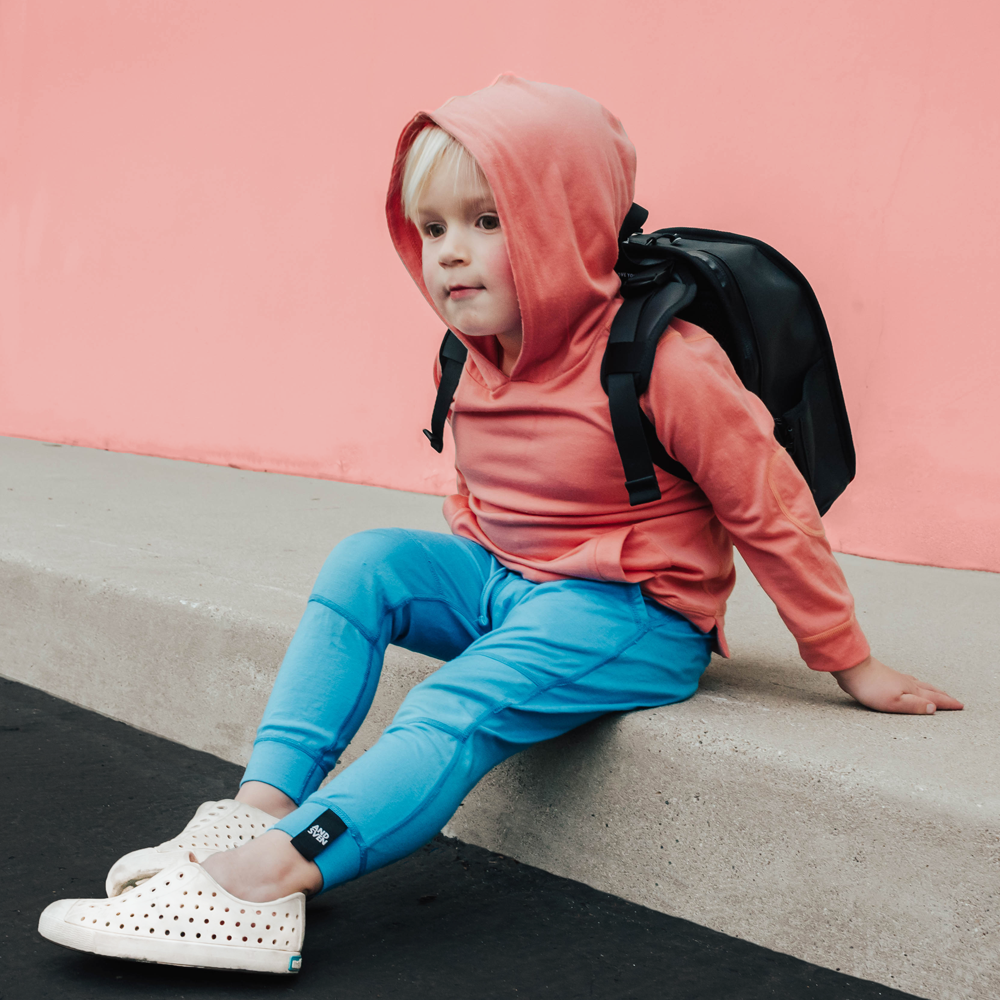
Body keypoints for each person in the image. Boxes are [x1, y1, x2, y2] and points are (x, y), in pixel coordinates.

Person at [37, 74, 962, 975]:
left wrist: (848, 658)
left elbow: (769, 507)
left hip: (630, 614)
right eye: (432, 227)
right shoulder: (474, 350)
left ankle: (260, 884)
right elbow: (494, 486)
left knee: (449, 705)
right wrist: (480, 564)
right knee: (367, 561)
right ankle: (254, 810)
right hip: (510, 585)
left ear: (567, 228)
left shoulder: (665, 362)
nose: (448, 253)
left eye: (487, 223)